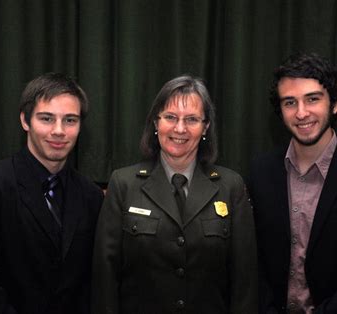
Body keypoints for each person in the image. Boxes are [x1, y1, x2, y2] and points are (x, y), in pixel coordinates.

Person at [91, 75, 258, 314]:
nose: (180, 128)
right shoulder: (124, 184)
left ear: (205, 127)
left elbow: (245, 283)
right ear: (156, 123)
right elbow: (104, 278)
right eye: (170, 117)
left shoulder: (230, 187)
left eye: (191, 119)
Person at [247, 52, 337, 313]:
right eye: (290, 102)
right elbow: (252, 261)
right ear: (280, 112)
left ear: (335, 104)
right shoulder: (260, 173)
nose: (301, 112)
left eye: (313, 99)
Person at [0, 73, 104, 314]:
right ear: (25, 120)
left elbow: (90, 284)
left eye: (70, 120)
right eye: (46, 118)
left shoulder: (91, 196)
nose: (58, 131)